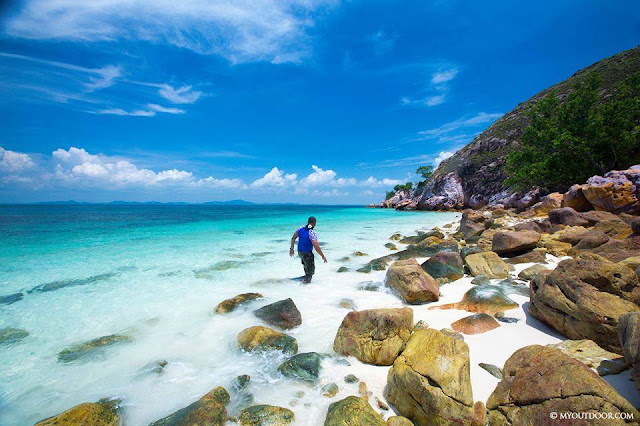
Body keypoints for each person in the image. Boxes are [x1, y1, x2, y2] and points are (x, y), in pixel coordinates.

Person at [289, 216, 327, 283]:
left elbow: (293, 238)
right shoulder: (312, 233)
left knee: (306, 267)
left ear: (308, 222)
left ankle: (304, 279)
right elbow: (316, 246)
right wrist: (322, 256)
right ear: (314, 223)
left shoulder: (300, 228)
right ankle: (306, 285)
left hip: (300, 252)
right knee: (311, 271)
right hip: (307, 254)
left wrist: (291, 249)